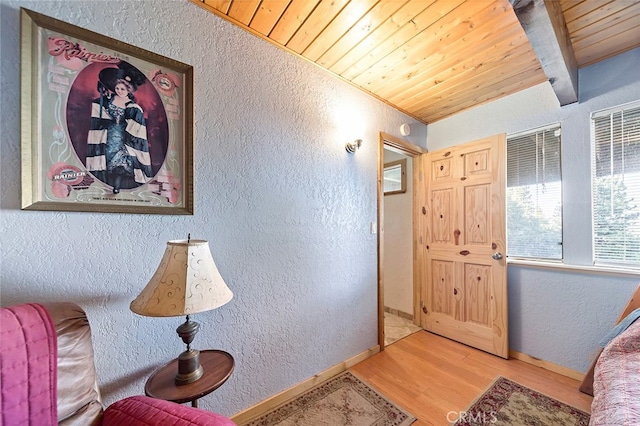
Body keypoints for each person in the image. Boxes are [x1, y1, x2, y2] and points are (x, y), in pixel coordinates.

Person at [86, 61, 152, 194]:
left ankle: (117, 186)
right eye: (117, 88)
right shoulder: (109, 100)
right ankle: (106, 185)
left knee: (122, 163)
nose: (119, 91)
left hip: (124, 136)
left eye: (122, 89)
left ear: (128, 89)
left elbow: (136, 123)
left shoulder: (131, 105)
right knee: (107, 160)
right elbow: (102, 110)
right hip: (109, 135)